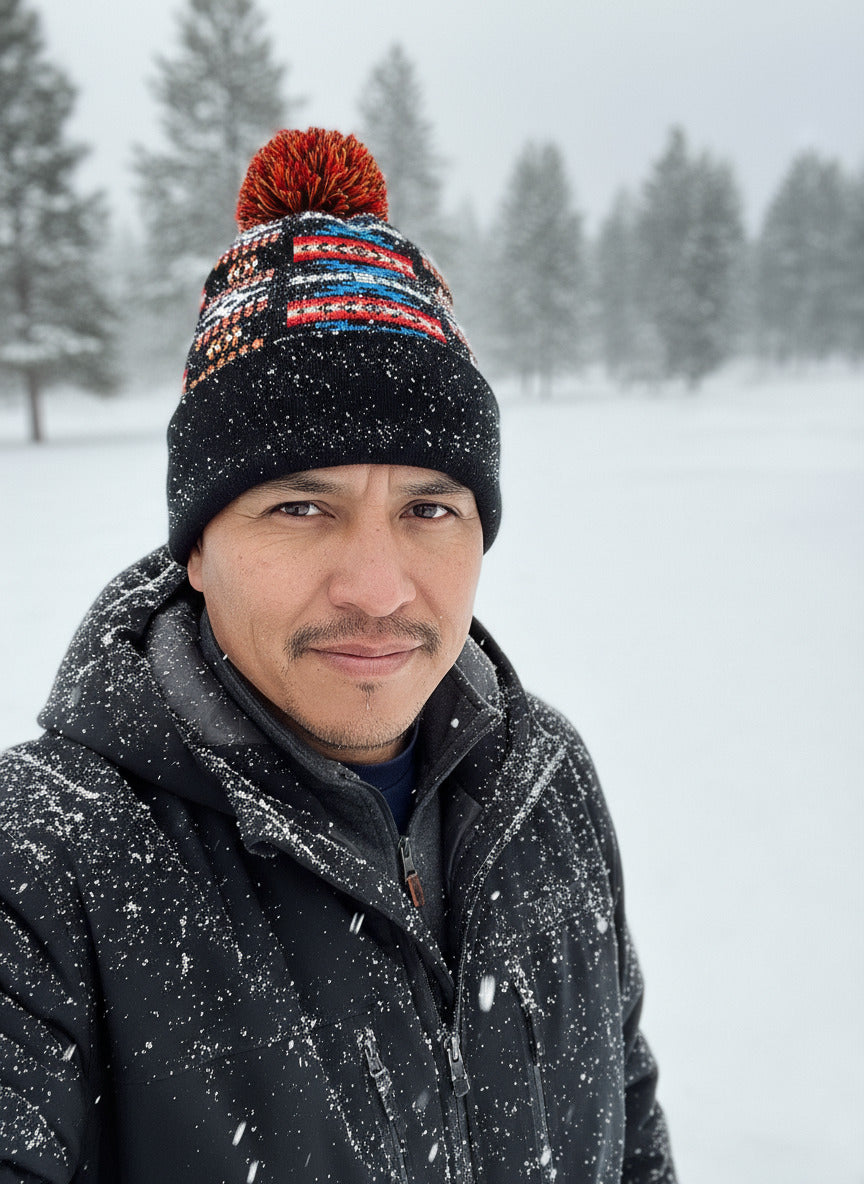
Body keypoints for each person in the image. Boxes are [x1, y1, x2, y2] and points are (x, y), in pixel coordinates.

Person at [0, 128, 676, 1183]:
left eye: (429, 509)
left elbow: (630, 1138)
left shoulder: (546, 790)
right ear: (198, 548)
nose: (377, 586)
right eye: (301, 506)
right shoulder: (44, 863)